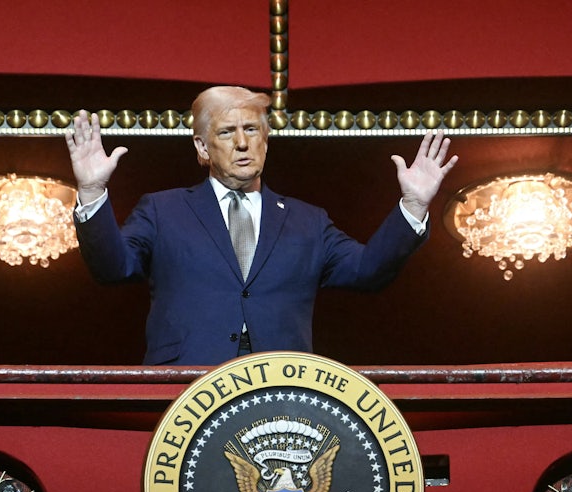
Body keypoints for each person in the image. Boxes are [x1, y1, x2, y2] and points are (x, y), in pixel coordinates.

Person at [66, 85, 457, 365]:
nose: (242, 143)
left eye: (251, 130)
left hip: (281, 388)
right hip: (186, 387)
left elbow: (368, 270)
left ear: (266, 141)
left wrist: (413, 204)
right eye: (226, 132)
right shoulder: (162, 210)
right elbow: (112, 269)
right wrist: (92, 190)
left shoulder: (308, 220)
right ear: (203, 148)